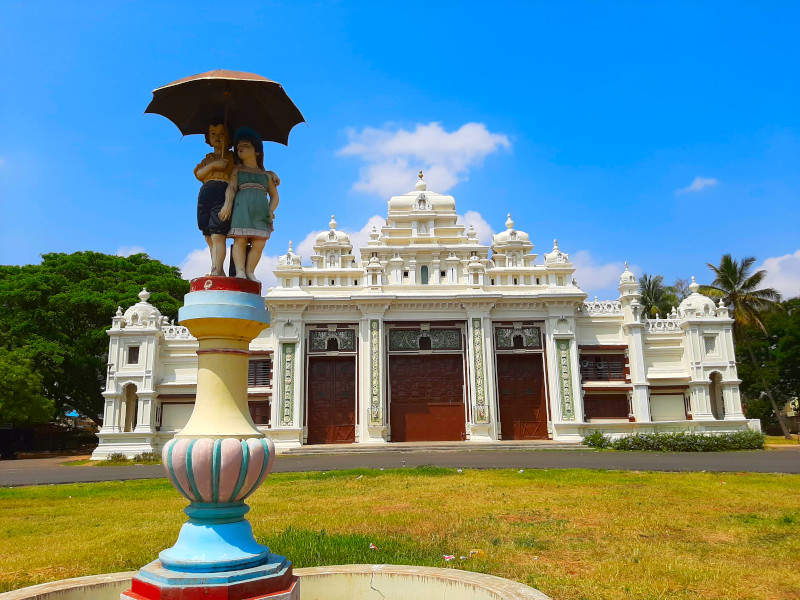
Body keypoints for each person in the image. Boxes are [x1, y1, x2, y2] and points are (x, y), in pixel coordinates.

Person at [218, 126, 280, 282]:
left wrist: (271, 210)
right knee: (240, 239)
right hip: (242, 210)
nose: (241, 148)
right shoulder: (237, 171)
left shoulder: (266, 175)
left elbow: (275, 196)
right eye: (239, 146)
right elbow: (231, 188)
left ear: (257, 151)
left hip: (261, 212)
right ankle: (240, 271)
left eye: (246, 145)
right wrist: (227, 204)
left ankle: (250, 271)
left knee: (259, 243)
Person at [194, 120, 233, 276]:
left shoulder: (232, 157)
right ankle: (215, 266)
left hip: (222, 191)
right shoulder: (208, 158)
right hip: (205, 194)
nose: (217, 137)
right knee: (208, 234)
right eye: (213, 134)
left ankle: (217, 269)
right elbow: (199, 174)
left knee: (218, 233)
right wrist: (213, 166)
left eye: (222, 134)